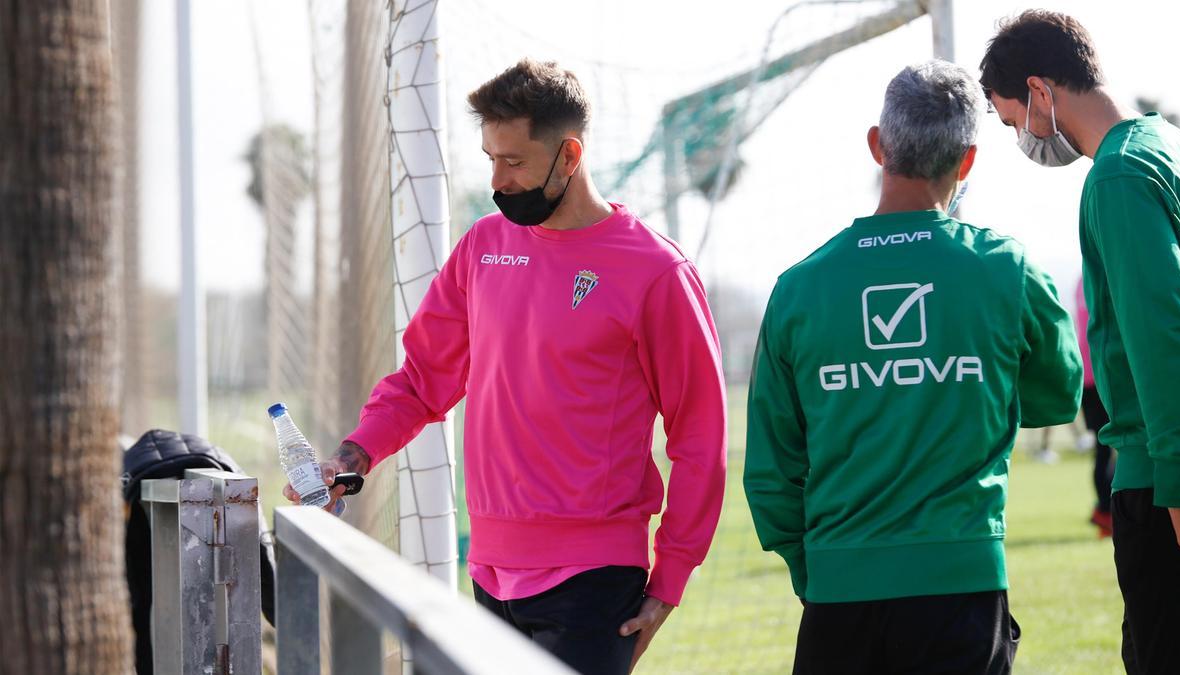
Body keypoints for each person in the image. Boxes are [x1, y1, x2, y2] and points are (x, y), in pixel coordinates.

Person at [285, 58, 727, 675]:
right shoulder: (483, 248)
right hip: (490, 577)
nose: (498, 179)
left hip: (594, 581)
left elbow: (701, 438)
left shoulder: (656, 272)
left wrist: (671, 578)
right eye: (491, 158)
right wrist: (352, 457)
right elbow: (421, 381)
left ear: (570, 155)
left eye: (514, 162)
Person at [744, 60, 1082, 674]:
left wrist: (811, 564)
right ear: (969, 160)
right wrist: (964, 388)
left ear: (878, 146)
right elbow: (1060, 399)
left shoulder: (799, 288)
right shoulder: (1007, 269)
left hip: (838, 592)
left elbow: (770, 469)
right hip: (963, 588)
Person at [980, 11, 1180, 673]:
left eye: (1012, 118)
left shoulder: (1119, 175)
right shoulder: (1174, 147)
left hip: (1164, 483)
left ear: (1041, 93)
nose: (1023, 136)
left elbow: (1166, 334)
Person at [1075, 277, 1115, 537]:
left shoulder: (1082, 280)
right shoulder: (1104, 275)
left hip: (1087, 375)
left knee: (1103, 450)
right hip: (1104, 373)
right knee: (1115, 448)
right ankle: (1106, 511)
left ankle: (1104, 511)